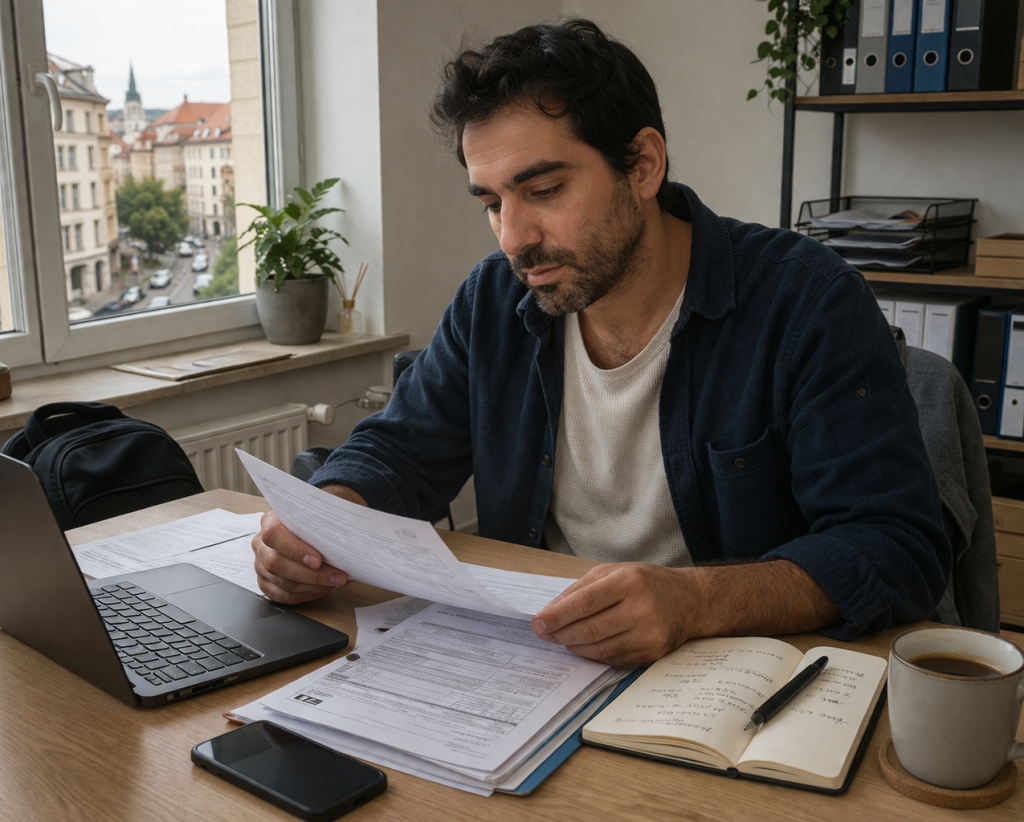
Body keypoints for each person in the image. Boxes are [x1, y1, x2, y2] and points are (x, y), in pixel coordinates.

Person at [253, 19, 950, 666]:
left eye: (545, 189)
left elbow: (895, 547)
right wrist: (329, 519)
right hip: (543, 662)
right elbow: (400, 448)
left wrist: (695, 601)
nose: (514, 239)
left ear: (643, 166)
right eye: (493, 204)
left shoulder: (805, 302)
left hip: (730, 670)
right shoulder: (494, 300)